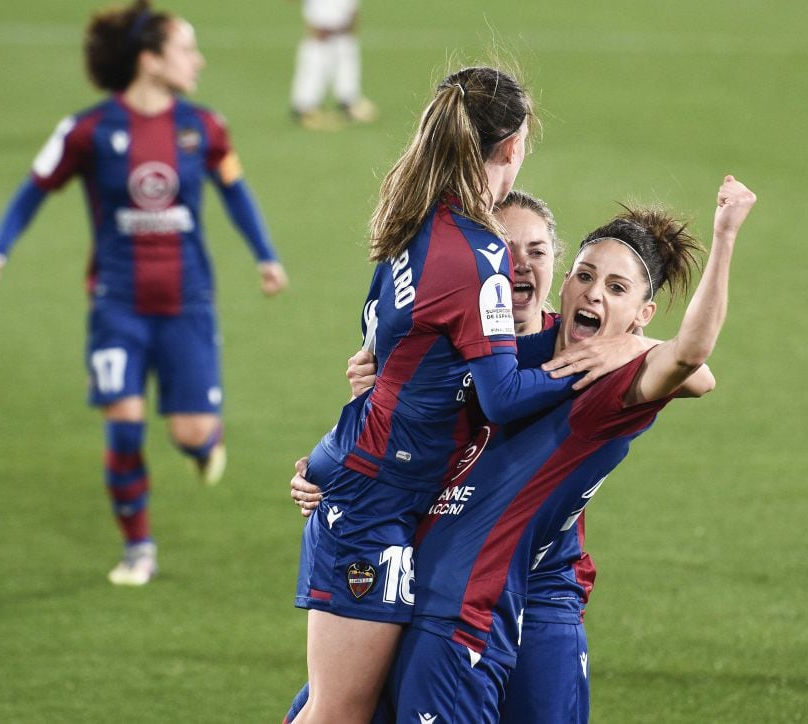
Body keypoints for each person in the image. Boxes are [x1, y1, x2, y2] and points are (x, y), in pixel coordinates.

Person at [290, 66, 641, 724]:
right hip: (378, 503)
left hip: (375, 488)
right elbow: (503, 396)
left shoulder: (416, 220)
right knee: (338, 713)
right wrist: (588, 360)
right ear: (513, 146)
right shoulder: (474, 249)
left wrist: (330, 457)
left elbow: (390, 349)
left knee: (343, 709)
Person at [385, 175, 755, 722]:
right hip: (439, 585)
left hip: (523, 591)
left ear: (642, 313)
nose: (594, 293)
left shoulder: (609, 383)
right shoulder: (493, 354)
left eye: (616, 288)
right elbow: (402, 416)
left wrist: (720, 241)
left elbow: (694, 364)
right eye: (585, 276)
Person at [0, 0, 288, 587]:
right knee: (124, 424)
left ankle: (203, 446)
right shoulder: (89, 130)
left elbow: (236, 194)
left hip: (188, 303)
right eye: (186, 49)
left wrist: (265, 256)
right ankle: (138, 548)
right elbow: (33, 189)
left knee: (190, 432)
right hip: (117, 304)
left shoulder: (204, 127)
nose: (199, 59)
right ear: (150, 60)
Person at [289, 0, 377, 130]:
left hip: (344, 34)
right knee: (313, 72)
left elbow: (353, 9)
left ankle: (348, 103)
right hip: (320, 36)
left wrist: (354, 29)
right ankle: (306, 110)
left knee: (348, 68)